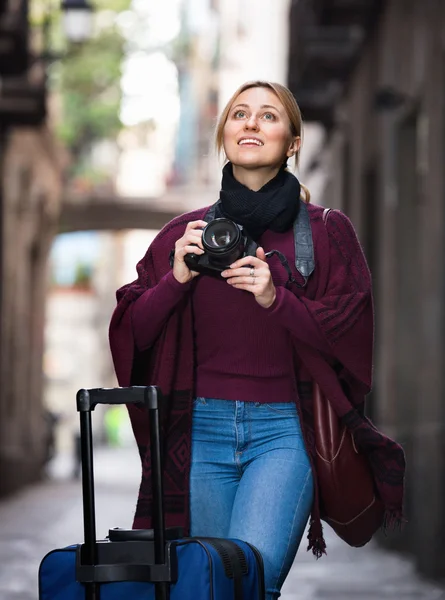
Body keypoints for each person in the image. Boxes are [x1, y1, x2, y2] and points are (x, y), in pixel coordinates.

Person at [109, 81, 405, 599]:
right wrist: (176, 279)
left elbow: (351, 334)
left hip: (283, 434)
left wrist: (277, 297)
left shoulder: (328, 233)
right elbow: (133, 333)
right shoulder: (185, 234)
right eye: (239, 114)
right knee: (208, 588)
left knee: (252, 583)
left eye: (268, 116)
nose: (250, 123)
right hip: (199, 433)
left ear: (292, 142)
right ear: (224, 134)